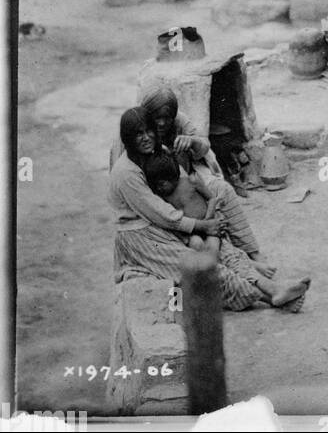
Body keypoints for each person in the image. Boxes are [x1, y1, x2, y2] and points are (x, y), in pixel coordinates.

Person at [110, 109, 305, 310]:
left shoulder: (155, 152)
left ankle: (274, 289)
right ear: (127, 139)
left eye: (148, 131)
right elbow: (161, 214)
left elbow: (182, 185)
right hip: (141, 235)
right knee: (201, 267)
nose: (145, 138)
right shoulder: (126, 173)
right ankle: (268, 297)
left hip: (169, 223)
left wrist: (204, 217)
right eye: (138, 134)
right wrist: (204, 225)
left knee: (226, 250)